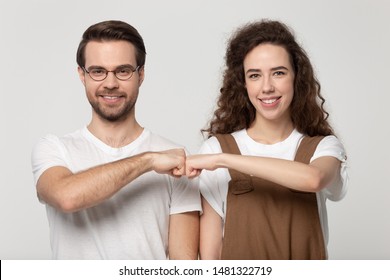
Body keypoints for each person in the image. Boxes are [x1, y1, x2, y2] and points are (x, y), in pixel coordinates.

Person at [31, 20, 201, 260]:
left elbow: (183, 265)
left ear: (140, 74)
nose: (110, 84)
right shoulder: (54, 149)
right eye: (98, 71)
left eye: (123, 71)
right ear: (82, 75)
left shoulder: (176, 157)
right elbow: (66, 197)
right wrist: (148, 161)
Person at [186, 19, 348, 260]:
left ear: (297, 78)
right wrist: (221, 156)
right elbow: (211, 257)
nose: (267, 87)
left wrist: (224, 160)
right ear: (243, 84)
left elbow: (313, 178)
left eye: (279, 73)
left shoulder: (323, 147)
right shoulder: (216, 147)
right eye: (254, 75)